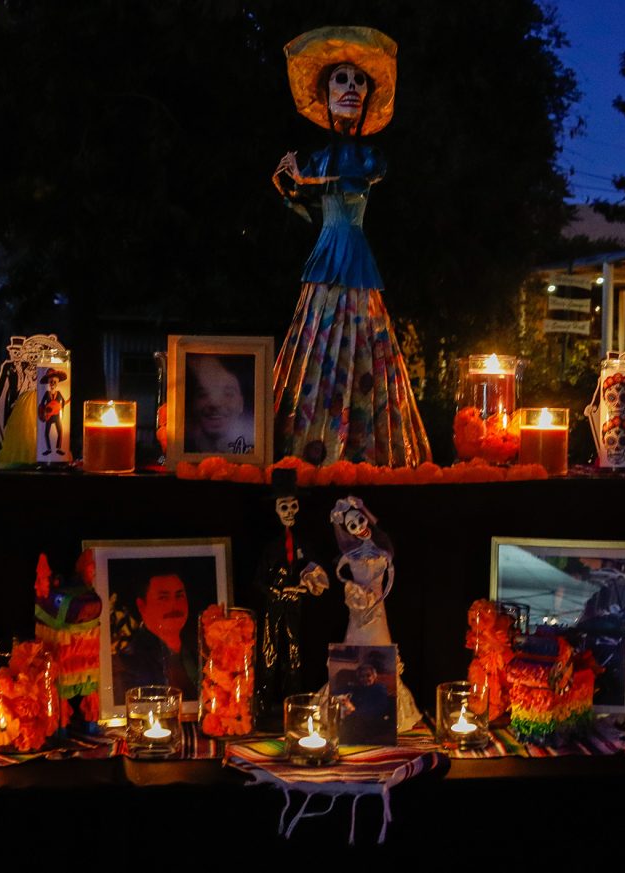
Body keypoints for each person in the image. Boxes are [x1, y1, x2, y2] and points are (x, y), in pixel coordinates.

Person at [272, 26, 430, 467]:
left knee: (366, 345)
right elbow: (309, 204)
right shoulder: (318, 159)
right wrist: (288, 187)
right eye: (341, 79)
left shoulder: (368, 158)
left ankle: (366, 446)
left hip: (354, 253)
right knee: (315, 344)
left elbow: (351, 182)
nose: (352, 89)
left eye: (359, 81)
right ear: (324, 93)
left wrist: (304, 178)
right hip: (326, 253)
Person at [329, 495, 419, 729]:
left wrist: (377, 596)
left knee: (380, 640)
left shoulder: (382, 548)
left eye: (360, 520)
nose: (359, 527)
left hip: (378, 607)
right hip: (360, 610)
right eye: (352, 526)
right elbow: (339, 573)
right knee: (356, 639)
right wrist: (354, 592)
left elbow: (390, 577)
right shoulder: (350, 556)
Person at [254, 468, 328, 711]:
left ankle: (292, 702)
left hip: (295, 605)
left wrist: (310, 583)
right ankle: (265, 704)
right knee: (269, 652)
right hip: (273, 605)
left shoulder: (302, 544)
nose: (289, 513)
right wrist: (275, 592)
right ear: (276, 510)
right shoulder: (269, 547)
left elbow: (315, 569)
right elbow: (259, 580)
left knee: (294, 652)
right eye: (284, 507)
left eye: (293, 506)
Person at [115, 572, 198, 701]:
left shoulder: (199, 652)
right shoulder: (129, 663)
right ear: (142, 606)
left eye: (179, 596)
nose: (174, 605)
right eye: (163, 598)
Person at [184, 356, 254, 453]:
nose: (215, 403)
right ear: (193, 403)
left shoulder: (257, 454)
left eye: (228, 394)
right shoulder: (177, 452)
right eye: (204, 394)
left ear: (241, 403)